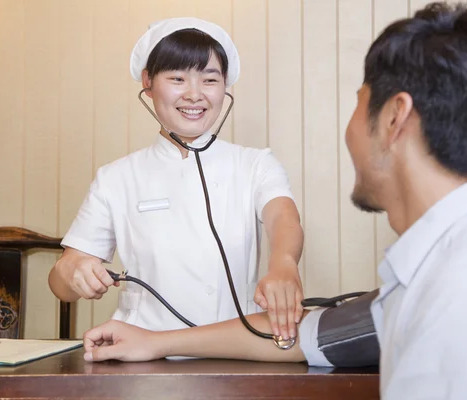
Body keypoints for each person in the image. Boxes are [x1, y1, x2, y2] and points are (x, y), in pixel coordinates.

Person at [81, 3, 467, 399]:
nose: (348, 128)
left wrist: (282, 261)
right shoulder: (444, 265)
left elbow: (283, 218)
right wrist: (154, 342)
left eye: (358, 104)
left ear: (395, 116)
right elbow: (306, 336)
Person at [48, 18, 305, 341]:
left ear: (225, 85)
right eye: (177, 78)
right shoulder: (116, 177)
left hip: (235, 351)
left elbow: (283, 217)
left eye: (210, 79)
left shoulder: (254, 164)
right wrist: (72, 272)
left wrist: (283, 264)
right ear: (148, 82)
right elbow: (61, 284)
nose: (194, 94)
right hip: (138, 359)